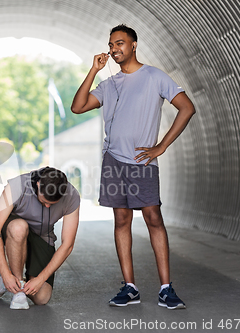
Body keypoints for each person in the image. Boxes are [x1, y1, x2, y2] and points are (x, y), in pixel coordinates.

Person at [71, 24, 195, 310]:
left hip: (142, 161)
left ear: (134, 45)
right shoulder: (108, 84)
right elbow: (77, 107)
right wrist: (93, 71)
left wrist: (161, 146)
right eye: (112, 44)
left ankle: (166, 289)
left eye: (121, 43)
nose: (115, 48)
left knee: (153, 217)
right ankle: (130, 288)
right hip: (113, 161)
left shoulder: (154, 76)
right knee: (122, 220)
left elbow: (187, 107)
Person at [0, 167, 80, 309]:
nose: (48, 206)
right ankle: (16, 289)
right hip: (15, 230)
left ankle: (8, 283)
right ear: (38, 184)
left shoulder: (72, 195)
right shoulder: (16, 186)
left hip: (43, 236)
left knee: (42, 297)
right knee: (19, 227)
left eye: (52, 204)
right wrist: (5, 272)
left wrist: (40, 279)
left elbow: (67, 244)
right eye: (44, 201)